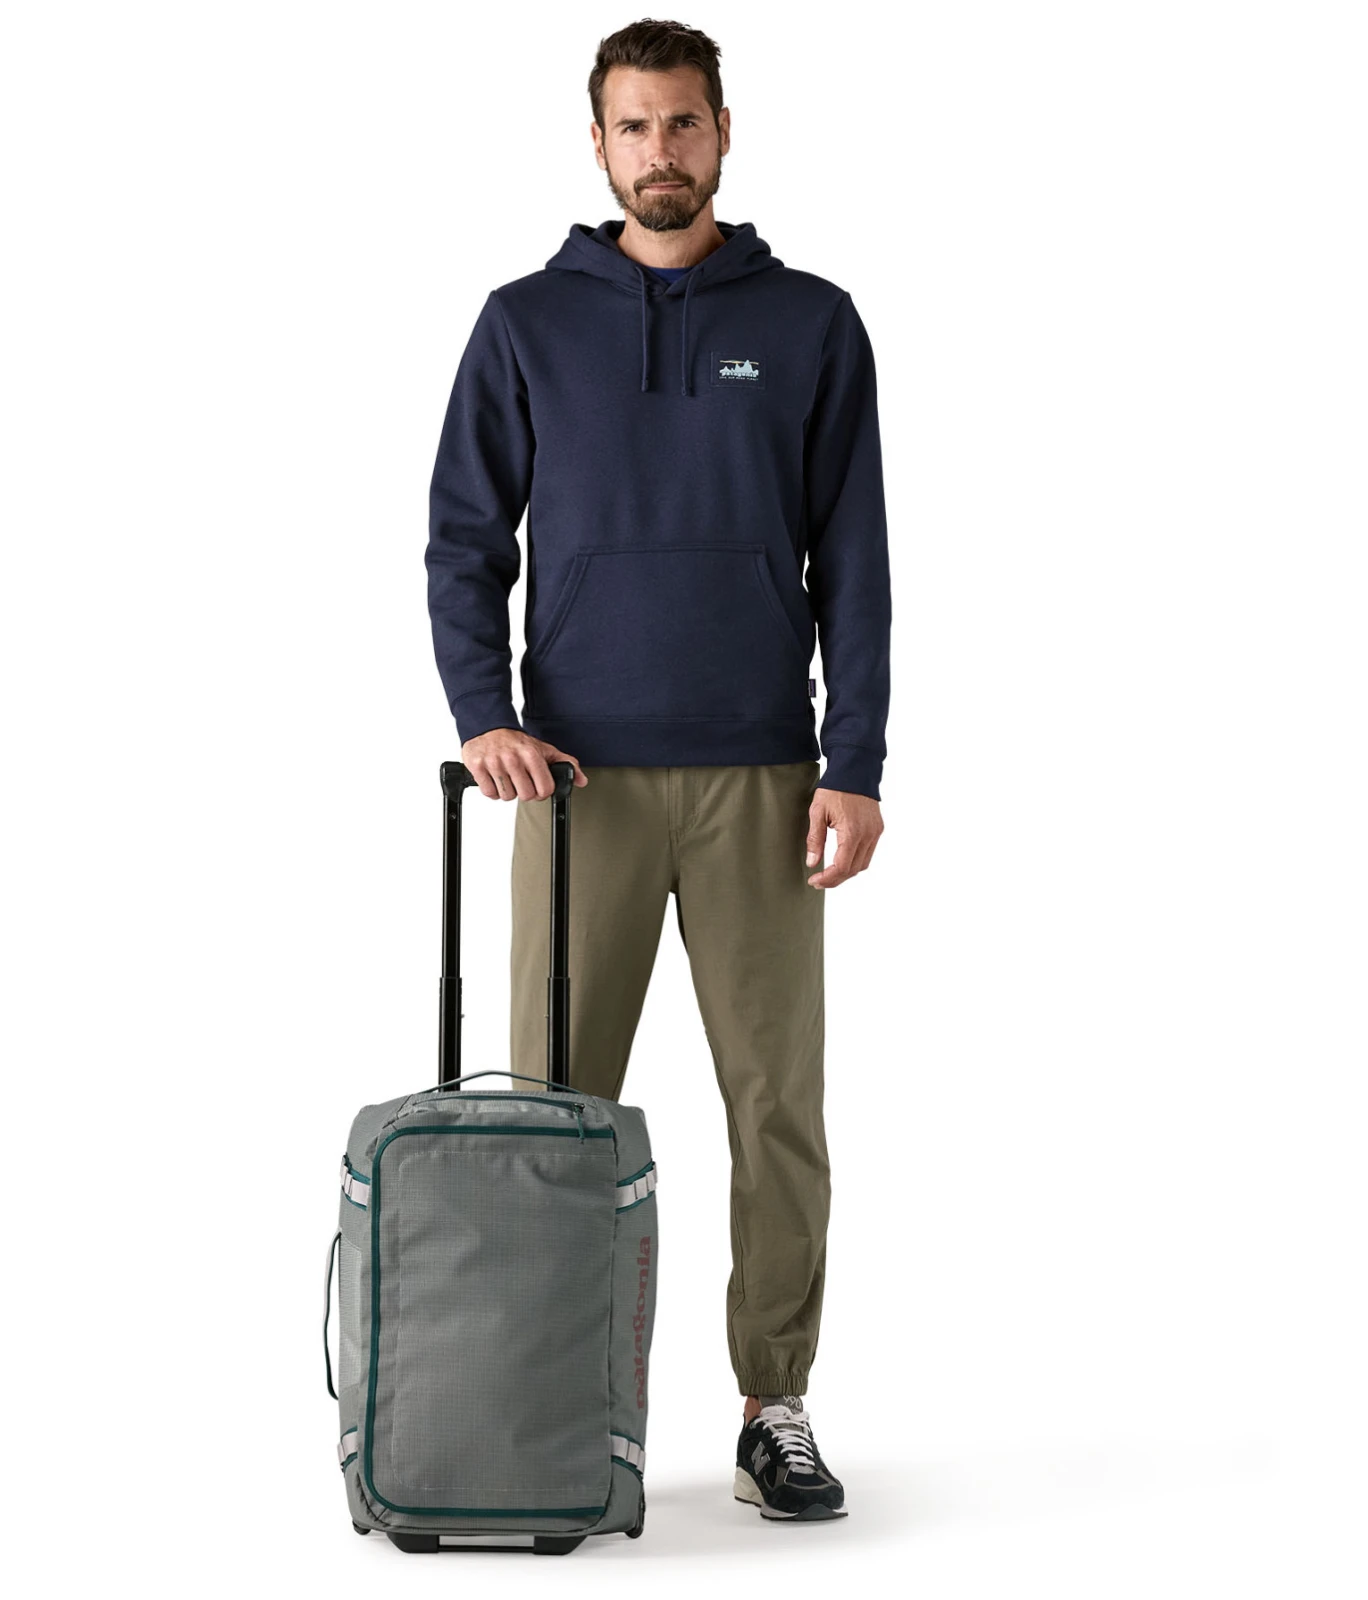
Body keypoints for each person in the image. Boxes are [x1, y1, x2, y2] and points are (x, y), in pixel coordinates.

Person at [424, 17, 890, 1524]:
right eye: (634, 126)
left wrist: (856, 759)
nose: (661, 151)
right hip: (576, 786)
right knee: (555, 1110)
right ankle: (548, 1409)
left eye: (684, 122)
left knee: (776, 1108)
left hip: (764, 776)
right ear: (598, 143)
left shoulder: (812, 323)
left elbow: (858, 562)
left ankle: (774, 1406)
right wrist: (483, 711)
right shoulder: (524, 323)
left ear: (724, 132)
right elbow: (462, 540)